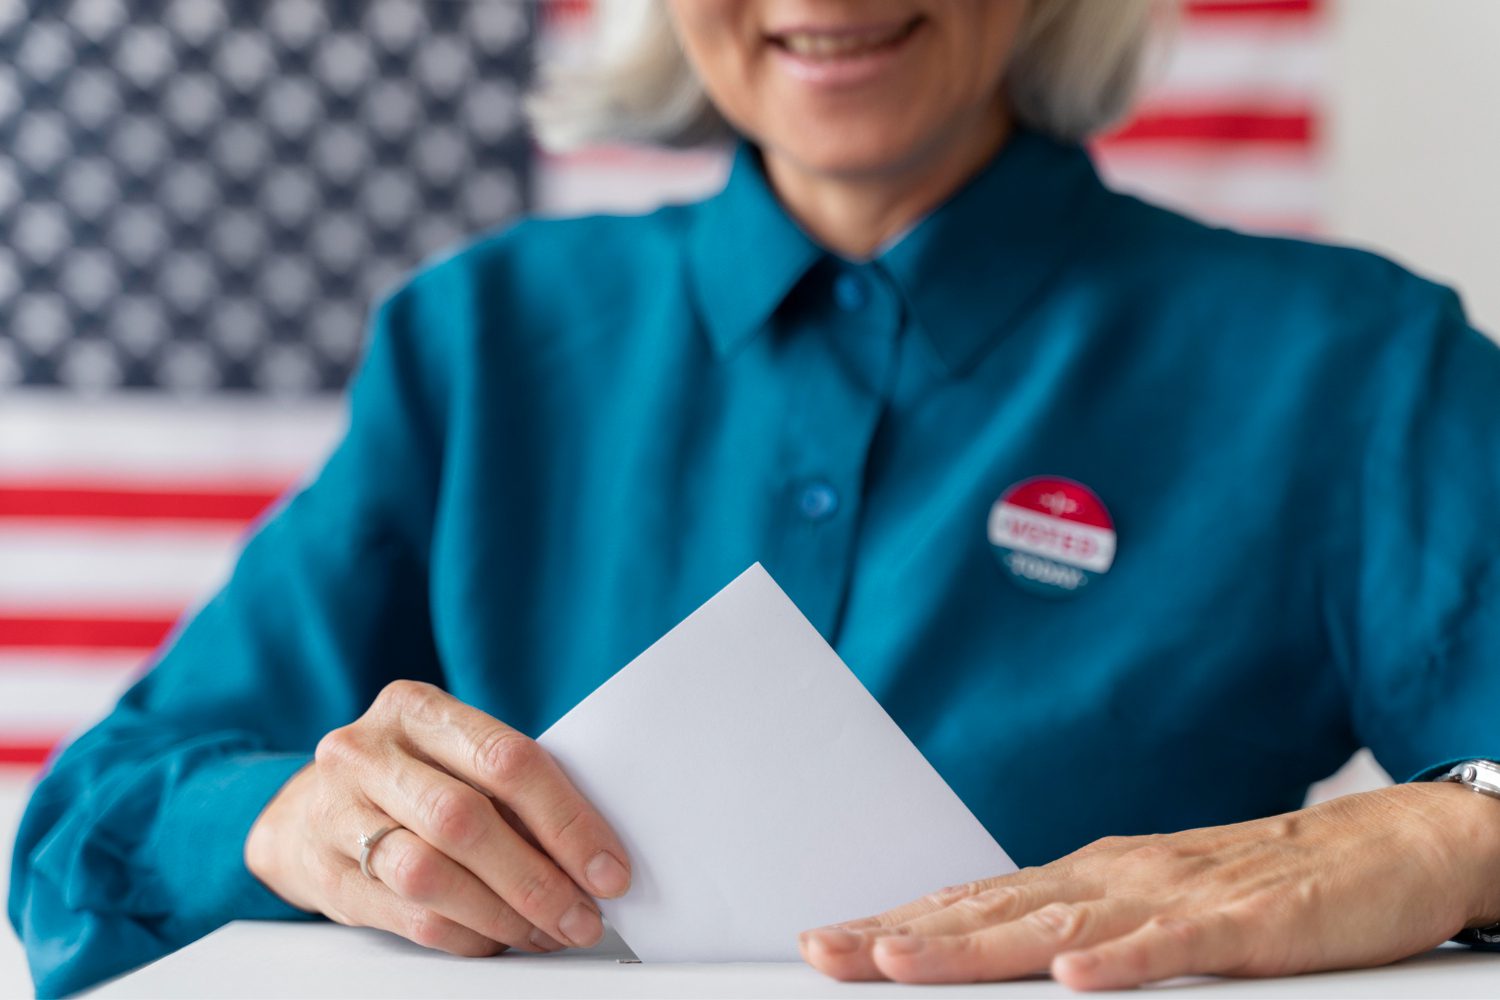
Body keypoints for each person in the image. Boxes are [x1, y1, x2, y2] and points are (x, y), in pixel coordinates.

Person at [11, 0, 1500, 994]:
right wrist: (291, 824)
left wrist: (1454, 837)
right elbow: (96, 824)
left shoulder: (1354, 363)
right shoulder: (482, 341)